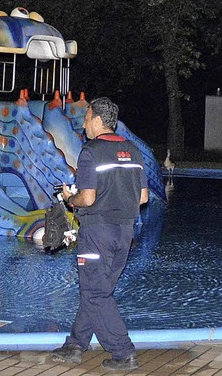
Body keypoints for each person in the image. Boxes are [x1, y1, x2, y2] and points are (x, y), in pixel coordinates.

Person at [51, 97, 149, 371]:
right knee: (98, 290)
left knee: (95, 293)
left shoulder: (90, 152)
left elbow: (89, 198)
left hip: (97, 233)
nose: (83, 124)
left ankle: (123, 351)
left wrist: (71, 199)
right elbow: (142, 197)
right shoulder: (133, 150)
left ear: (96, 120)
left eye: (86, 118)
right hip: (125, 233)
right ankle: (75, 344)